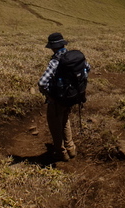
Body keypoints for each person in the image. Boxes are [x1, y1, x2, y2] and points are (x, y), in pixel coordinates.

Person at [38, 32, 90, 162]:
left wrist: (49, 96)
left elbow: (42, 82)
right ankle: (71, 148)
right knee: (65, 120)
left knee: (55, 126)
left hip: (57, 100)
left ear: (53, 47)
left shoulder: (56, 62)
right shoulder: (74, 58)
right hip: (71, 97)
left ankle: (61, 153)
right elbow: (87, 68)